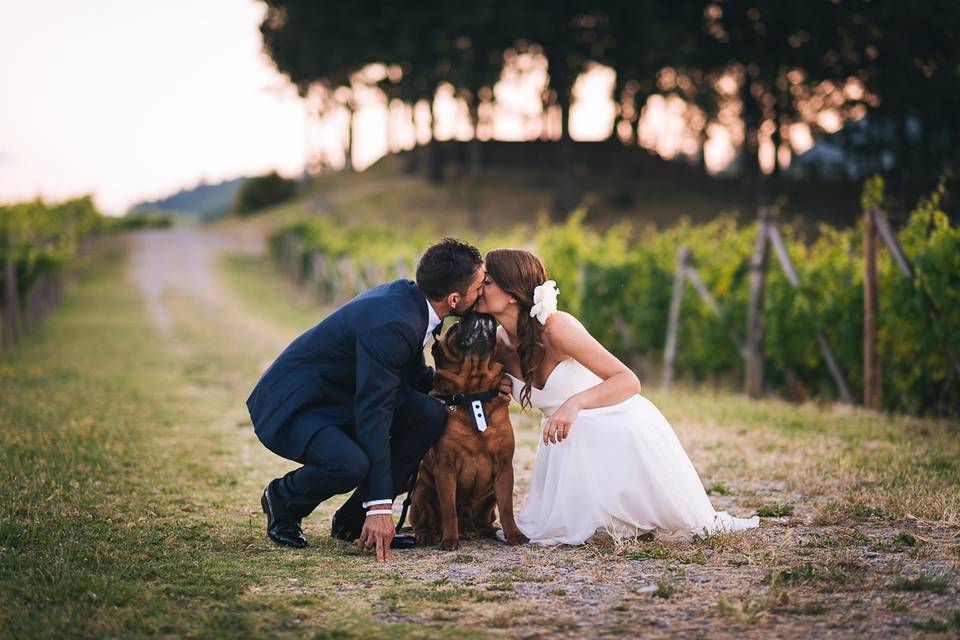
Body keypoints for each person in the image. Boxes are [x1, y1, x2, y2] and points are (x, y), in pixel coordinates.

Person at [475, 248, 760, 545]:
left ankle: (631, 511)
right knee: (568, 530)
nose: (479, 288)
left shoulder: (558, 329)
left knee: (608, 519)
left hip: (616, 424)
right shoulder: (498, 342)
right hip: (565, 444)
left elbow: (628, 380)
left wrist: (575, 403)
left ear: (511, 294)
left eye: (488, 281)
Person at [247, 238, 505, 562]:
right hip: (297, 405)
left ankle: (351, 522)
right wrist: (381, 506)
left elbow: (407, 376)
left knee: (428, 414)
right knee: (350, 464)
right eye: (481, 285)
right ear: (455, 299)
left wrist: (478, 391)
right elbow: (374, 412)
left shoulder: (410, 301)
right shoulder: (395, 322)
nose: (484, 291)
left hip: (342, 395)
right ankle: (283, 499)